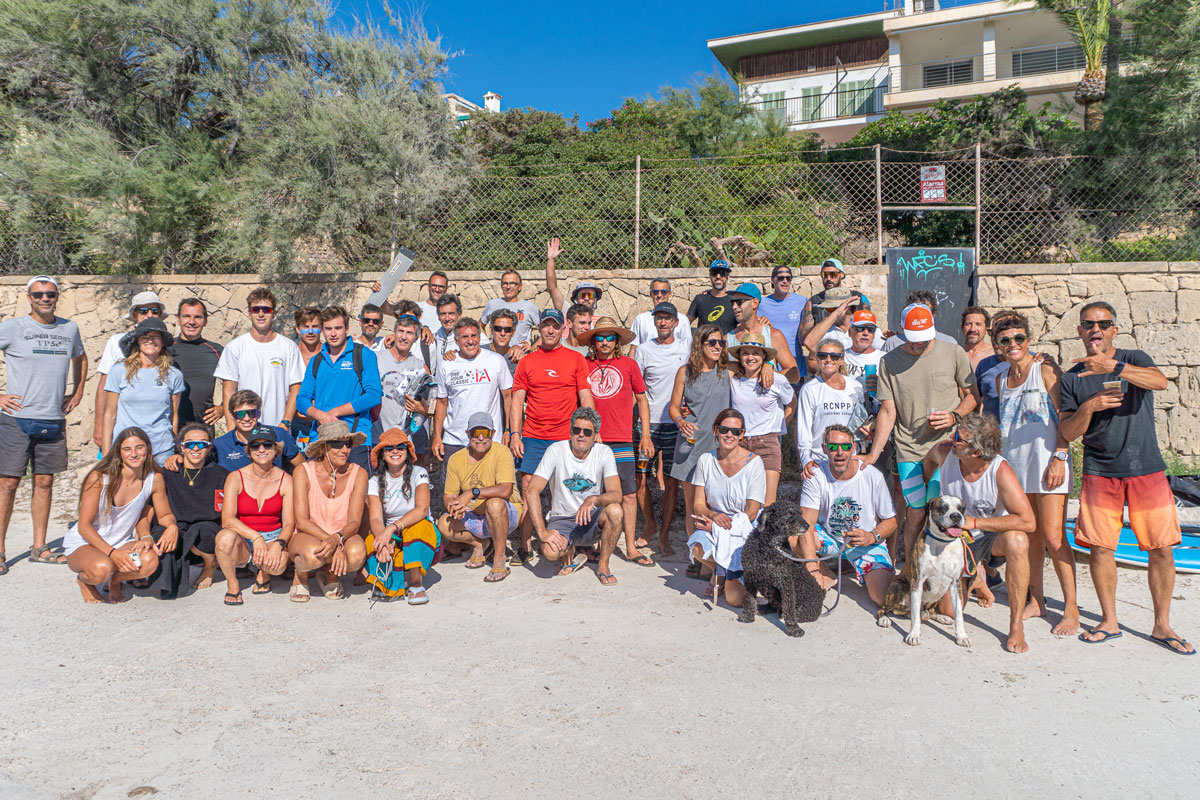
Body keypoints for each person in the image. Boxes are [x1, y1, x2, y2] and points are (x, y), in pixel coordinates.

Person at [1059, 301, 1193, 654]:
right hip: (1100, 471)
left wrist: (1114, 366)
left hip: (1146, 467)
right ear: (1080, 331)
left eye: (1103, 324)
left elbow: (1160, 382)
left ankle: (1162, 625)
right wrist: (1089, 406)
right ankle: (1109, 620)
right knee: (1102, 548)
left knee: (1161, 548)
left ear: (1114, 330)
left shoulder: (1135, 356)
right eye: (1088, 324)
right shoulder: (1071, 377)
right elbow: (1068, 432)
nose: (1095, 329)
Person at [860, 303, 977, 554]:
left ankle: (943, 568)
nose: (920, 344)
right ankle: (912, 570)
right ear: (902, 330)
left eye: (925, 339)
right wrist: (874, 453)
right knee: (915, 511)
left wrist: (954, 416)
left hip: (945, 448)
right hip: (909, 450)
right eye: (914, 339)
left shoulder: (953, 352)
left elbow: (972, 396)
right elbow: (888, 411)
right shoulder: (889, 362)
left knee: (942, 510)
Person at [924, 413, 1038, 653]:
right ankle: (976, 578)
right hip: (955, 542)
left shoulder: (1000, 471)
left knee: (1018, 540)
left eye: (960, 438)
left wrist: (975, 523)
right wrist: (929, 490)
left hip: (987, 537)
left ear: (976, 452)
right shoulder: (946, 452)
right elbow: (929, 461)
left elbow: (1028, 521)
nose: (953, 439)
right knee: (949, 612)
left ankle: (1015, 624)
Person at [994, 313, 1078, 635]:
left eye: (1019, 338)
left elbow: (1064, 417)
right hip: (1017, 466)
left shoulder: (1044, 370)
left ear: (1029, 339)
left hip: (1048, 464)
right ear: (998, 345)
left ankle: (1070, 608)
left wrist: (1060, 456)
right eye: (1005, 340)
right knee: (1031, 536)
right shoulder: (1002, 379)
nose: (1013, 344)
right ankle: (1037, 600)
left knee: (1055, 538)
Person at [0, 275, 87, 572]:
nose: (45, 299)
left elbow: (81, 357)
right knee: (8, 484)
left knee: (45, 482)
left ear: (57, 296)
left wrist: (77, 392)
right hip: (15, 418)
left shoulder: (69, 328)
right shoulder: (12, 328)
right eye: (38, 295)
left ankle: (39, 547)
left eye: (50, 294)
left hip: (52, 418)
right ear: (29, 298)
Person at [509, 309, 595, 564]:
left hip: (564, 438)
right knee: (528, 489)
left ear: (563, 329)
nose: (550, 330)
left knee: (561, 491)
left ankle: (568, 542)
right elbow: (517, 401)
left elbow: (585, 396)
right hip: (534, 436)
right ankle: (525, 545)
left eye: (555, 326)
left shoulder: (576, 359)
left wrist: (592, 430)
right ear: (539, 329)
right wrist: (515, 434)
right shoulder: (527, 361)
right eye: (545, 326)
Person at [64, 427, 176, 604]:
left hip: (122, 541)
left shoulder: (154, 479)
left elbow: (165, 514)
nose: (134, 454)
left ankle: (116, 581)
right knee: (101, 570)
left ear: (148, 448)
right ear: (119, 452)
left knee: (149, 562)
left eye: (139, 447)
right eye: (127, 449)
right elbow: (84, 526)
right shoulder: (99, 477)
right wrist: (112, 553)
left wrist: (171, 527)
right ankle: (84, 581)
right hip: (87, 542)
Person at [795, 425, 897, 610]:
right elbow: (806, 525)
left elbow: (891, 521)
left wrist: (872, 536)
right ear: (825, 449)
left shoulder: (872, 476)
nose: (840, 452)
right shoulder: (815, 475)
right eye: (833, 447)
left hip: (865, 542)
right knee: (792, 533)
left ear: (854, 448)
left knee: (885, 599)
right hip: (830, 538)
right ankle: (825, 574)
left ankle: (869, 571)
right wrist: (812, 570)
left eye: (845, 447)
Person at [581, 317, 653, 565]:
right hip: (592, 441)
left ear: (617, 341)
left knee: (629, 494)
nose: (604, 342)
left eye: (610, 337)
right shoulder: (584, 364)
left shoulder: (629, 365)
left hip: (622, 439)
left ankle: (631, 547)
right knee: (597, 493)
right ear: (593, 341)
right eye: (599, 337)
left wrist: (645, 435)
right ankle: (600, 544)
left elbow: (642, 400)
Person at [525, 407, 624, 586]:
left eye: (587, 432)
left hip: (592, 518)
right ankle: (568, 547)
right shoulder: (556, 450)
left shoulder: (604, 452)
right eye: (576, 430)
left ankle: (603, 565)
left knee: (615, 511)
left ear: (595, 435)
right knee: (550, 552)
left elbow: (617, 494)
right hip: (563, 518)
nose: (581, 435)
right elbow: (532, 490)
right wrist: (542, 532)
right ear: (570, 431)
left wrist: (594, 499)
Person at [687, 408, 765, 609]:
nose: (729, 435)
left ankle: (729, 575)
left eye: (736, 431)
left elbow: (752, 512)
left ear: (742, 434)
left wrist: (719, 528)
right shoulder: (706, 460)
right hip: (716, 518)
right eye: (724, 429)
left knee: (735, 601)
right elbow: (698, 504)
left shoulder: (755, 463)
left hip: (743, 525)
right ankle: (721, 571)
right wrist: (713, 516)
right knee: (698, 548)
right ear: (716, 430)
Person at [213, 425, 295, 605]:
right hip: (245, 538)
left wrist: (278, 545)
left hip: (273, 536)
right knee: (224, 538)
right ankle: (233, 583)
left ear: (276, 449)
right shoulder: (235, 477)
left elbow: (289, 523)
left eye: (267, 445)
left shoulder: (286, 480)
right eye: (255, 446)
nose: (262, 450)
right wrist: (255, 537)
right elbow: (227, 520)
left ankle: (264, 572)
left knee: (278, 566)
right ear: (249, 451)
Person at [289, 420, 370, 601]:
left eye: (347, 444)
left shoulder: (359, 473)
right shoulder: (303, 471)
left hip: (342, 534)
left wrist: (337, 539)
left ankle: (331, 575)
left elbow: (354, 523)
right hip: (308, 533)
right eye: (337, 443)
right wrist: (333, 543)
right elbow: (302, 521)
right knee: (312, 555)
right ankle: (300, 575)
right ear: (323, 447)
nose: (344, 449)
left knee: (357, 554)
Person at [632, 302, 690, 555]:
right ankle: (650, 524)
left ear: (676, 323)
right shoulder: (644, 350)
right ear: (654, 322)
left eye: (668, 318)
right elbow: (637, 389)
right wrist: (638, 423)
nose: (663, 322)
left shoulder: (686, 349)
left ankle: (664, 534)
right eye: (659, 318)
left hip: (675, 424)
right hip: (649, 424)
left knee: (670, 481)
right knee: (639, 477)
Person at [296, 305, 383, 471]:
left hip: (355, 439)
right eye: (328, 329)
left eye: (338, 328)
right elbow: (301, 400)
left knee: (357, 494)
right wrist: (319, 415)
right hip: (320, 438)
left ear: (347, 328)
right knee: (318, 494)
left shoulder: (364, 355)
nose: (333, 333)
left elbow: (373, 395)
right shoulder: (317, 361)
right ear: (322, 330)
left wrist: (335, 412)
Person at [439, 412, 523, 583]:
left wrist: (471, 493)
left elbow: (505, 490)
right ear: (467, 434)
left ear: (493, 433)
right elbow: (449, 495)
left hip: (506, 512)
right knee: (443, 523)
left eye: (486, 433)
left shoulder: (502, 452)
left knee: (494, 503)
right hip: (476, 515)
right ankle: (480, 544)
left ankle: (499, 558)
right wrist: (453, 505)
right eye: (476, 433)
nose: (481, 438)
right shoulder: (456, 459)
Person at [149, 423, 228, 597]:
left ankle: (209, 565)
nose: (196, 448)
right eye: (190, 444)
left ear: (209, 448)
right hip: (176, 528)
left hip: (205, 534)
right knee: (159, 534)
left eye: (202, 444)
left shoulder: (221, 475)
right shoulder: (167, 473)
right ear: (181, 447)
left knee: (205, 530)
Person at [668, 325, 732, 537]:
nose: (717, 347)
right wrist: (680, 421)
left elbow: (756, 365)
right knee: (692, 505)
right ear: (700, 345)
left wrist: (768, 368)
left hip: (719, 447)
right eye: (712, 342)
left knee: (717, 503)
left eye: (720, 343)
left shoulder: (727, 371)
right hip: (691, 445)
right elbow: (673, 407)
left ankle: (713, 555)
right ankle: (696, 556)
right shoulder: (684, 372)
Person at [365, 428, 440, 603]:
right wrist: (382, 540)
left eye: (400, 447)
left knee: (416, 528)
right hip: (395, 536)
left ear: (407, 452)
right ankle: (391, 585)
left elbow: (422, 510)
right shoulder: (374, 482)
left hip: (421, 533)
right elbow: (375, 519)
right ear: (382, 455)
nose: (395, 451)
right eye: (389, 449)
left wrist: (391, 528)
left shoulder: (419, 473)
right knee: (372, 541)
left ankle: (415, 583)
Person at [214, 287, 303, 429]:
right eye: (256, 310)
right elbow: (229, 391)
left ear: (274, 314)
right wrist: (232, 429)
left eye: (266, 310)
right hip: (244, 431)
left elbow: (295, 390)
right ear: (249, 313)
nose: (261, 314)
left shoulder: (289, 347)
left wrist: (285, 423)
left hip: (278, 429)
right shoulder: (234, 347)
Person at [102, 318, 185, 466]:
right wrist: (107, 454)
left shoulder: (173, 375)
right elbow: (110, 414)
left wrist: (175, 446)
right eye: (145, 337)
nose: (150, 341)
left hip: (161, 449)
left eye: (156, 337)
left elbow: (173, 414)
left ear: (162, 342)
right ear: (138, 341)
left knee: (160, 489)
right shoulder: (119, 371)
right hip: (126, 449)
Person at [432, 317, 512, 466]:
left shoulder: (496, 361)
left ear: (479, 337)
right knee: (453, 488)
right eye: (465, 337)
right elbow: (442, 402)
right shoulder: (446, 364)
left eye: (474, 336)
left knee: (490, 488)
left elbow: (508, 397)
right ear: (456, 341)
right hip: (455, 440)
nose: (470, 341)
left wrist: (508, 430)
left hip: (488, 439)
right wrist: (437, 436)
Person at [93, 290, 166, 451]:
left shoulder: (163, 344)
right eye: (143, 310)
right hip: (121, 426)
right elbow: (103, 387)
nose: (149, 315)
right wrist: (99, 424)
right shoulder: (116, 342)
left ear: (160, 314)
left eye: (154, 311)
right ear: (134, 314)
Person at [729, 334, 793, 506]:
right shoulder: (733, 379)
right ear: (739, 356)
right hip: (739, 444)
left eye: (756, 353)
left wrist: (781, 425)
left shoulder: (776, 380)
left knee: (767, 502)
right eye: (745, 353)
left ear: (764, 356)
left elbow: (792, 403)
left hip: (767, 442)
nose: (750, 357)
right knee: (742, 499)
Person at [797, 338, 867, 476]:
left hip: (850, 458)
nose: (828, 359)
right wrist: (806, 460)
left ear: (841, 360)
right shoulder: (809, 390)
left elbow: (862, 423)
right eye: (823, 356)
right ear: (817, 360)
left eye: (834, 356)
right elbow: (804, 430)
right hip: (820, 460)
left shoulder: (856, 387)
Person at [376, 311, 434, 460]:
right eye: (400, 331)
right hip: (378, 436)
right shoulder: (376, 359)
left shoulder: (421, 367)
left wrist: (421, 409)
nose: (403, 337)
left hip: (405, 441)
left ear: (415, 338)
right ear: (394, 333)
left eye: (409, 333)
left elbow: (433, 406)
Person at [209, 390, 303, 472]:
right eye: (240, 414)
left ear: (259, 413)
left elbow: (302, 467)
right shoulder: (219, 445)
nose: (247, 418)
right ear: (231, 416)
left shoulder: (279, 435)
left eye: (252, 413)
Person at [727, 282, 800, 383]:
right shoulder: (727, 339)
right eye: (732, 302)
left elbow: (794, 374)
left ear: (755, 303)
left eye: (739, 302)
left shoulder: (773, 335)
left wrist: (771, 374)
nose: (734, 307)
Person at [169, 298, 224, 426]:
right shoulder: (166, 350)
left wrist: (222, 408)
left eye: (197, 317)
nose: (192, 322)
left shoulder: (217, 351)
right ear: (178, 319)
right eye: (186, 316)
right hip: (171, 428)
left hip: (203, 428)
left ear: (205, 321)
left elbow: (235, 382)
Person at [798, 258, 870, 347]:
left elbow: (869, 330)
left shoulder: (859, 299)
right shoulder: (814, 302)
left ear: (842, 275)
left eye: (833, 274)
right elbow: (803, 339)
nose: (828, 278)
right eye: (825, 275)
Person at [759, 265, 806, 368]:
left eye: (788, 278)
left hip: (795, 367)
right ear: (772, 280)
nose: (785, 281)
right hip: (770, 367)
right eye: (780, 278)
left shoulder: (802, 302)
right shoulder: (761, 304)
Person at [880, 290, 958, 352]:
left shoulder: (949, 343)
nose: (919, 316)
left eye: (925, 312)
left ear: (933, 314)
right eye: (914, 312)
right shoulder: (892, 344)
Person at [545, 237, 604, 320]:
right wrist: (551, 260)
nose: (586, 298)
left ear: (595, 299)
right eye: (582, 295)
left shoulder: (601, 321)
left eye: (590, 295)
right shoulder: (567, 312)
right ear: (576, 298)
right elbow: (552, 288)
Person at [628, 278, 691, 354]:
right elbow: (634, 349)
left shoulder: (682, 319)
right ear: (651, 294)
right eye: (655, 292)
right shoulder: (641, 319)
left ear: (669, 294)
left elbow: (688, 347)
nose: (659, 295)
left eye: (664, 292)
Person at [379, 271, 448, 338]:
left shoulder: (451, 314)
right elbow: (387, 309)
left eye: (441, 286)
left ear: (446, 289)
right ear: (428, 287)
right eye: (434, 285)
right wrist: (379, 292)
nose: (437, 289)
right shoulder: (414, 308)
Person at [481, 269, 540, 345]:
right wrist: (486, 343)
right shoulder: (493, 304)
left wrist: (533, 347)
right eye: (505, 283)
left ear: (520, 287)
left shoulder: (529, 307)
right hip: (496, 354)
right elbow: (480, 326)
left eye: (512, 284)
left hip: (519, 355)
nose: (508, 287)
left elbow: (546, 330)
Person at [687, 259, 735, 334]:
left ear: (728, 276)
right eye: (715, 273)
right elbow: (685, 323)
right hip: (705, 345)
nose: (718, 276)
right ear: (710, 276)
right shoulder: (700, 299)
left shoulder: (734, 301)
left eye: (722, 273)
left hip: (727, 345)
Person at [482, 308, 521, 377]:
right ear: (491, 330)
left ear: (513, 332)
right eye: (498, 329)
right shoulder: (479, 353)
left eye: (507, 330)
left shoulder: (517, 357)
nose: (502, 333)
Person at [961, 306, 992, 370]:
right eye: (968, 324)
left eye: (978, 324)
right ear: (962, 328)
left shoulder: (994, 354)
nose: (972, 329)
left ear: (986, 329)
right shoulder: (955, 354)